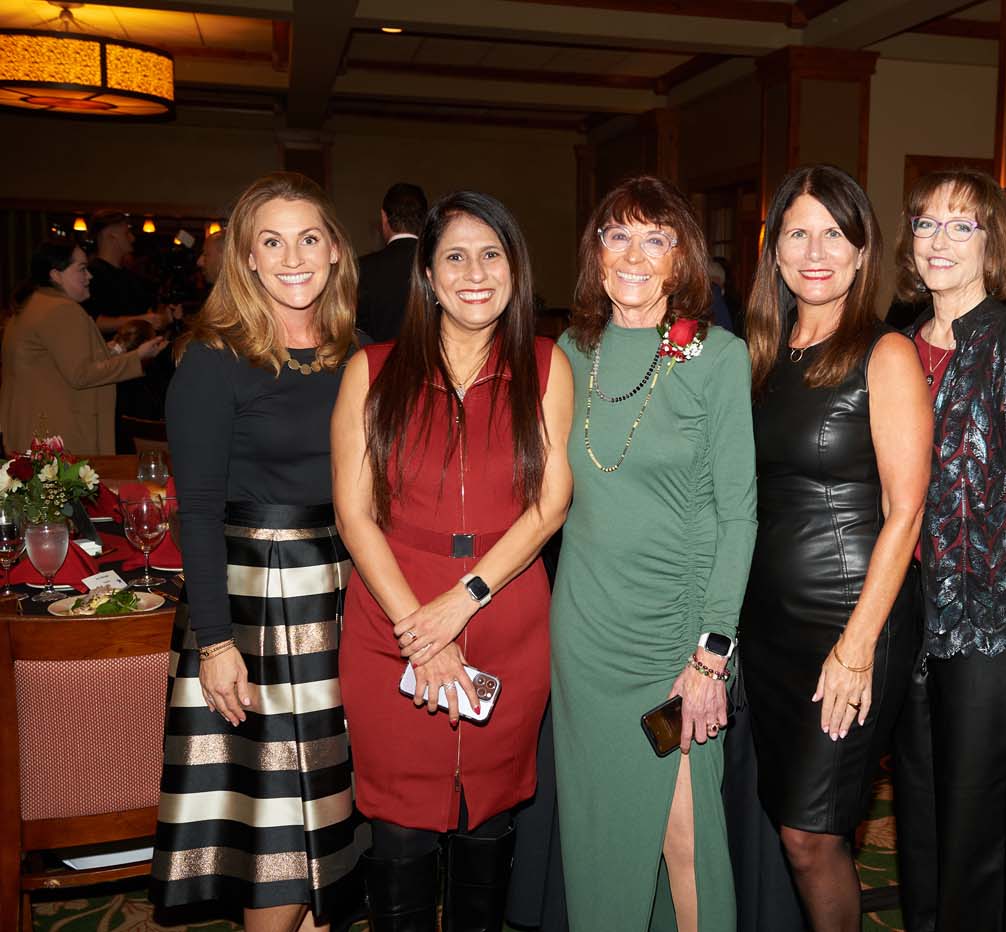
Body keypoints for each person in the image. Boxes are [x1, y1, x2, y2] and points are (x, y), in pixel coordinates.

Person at [332, 191, 573, 930]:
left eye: (491, 255)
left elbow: (551, 503)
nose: (475, 273)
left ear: (515, 269)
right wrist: (420, 629)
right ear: (429, 277)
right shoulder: (372, 370)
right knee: (400, 827)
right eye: (456, 257)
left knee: (489, 816)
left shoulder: (547, 365)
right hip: (391, 621)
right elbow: (354, 515)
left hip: (506, 616)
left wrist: (464, 600)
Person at [151, 172, 369, 932]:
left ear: (336, 250)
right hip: (254, 607)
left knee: (330, 817)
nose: (293, 258)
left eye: (309, 238)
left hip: (343, 596)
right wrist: (215, 644)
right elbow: (197, 512)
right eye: (271, 242)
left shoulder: (357, 354)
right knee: (276, 825)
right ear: (245, 258)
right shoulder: (213, 360)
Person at [550, 175, 756, 931]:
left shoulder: (717, 356)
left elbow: (739, 514)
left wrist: (711, 654)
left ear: (682, 258)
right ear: (596, 251)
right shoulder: (569, 353)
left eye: (655, 239)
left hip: (676, 637)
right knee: (599, 833)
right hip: (585, 634)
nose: (634, 256)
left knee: (684, 836)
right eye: (618, 236)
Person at [890, 169, 1006, 932]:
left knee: (977, 838)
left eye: (960, 226)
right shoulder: (897, 347)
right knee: (919, 822)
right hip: (906, 619)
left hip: (988, 627)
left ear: (992, 242)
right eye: (926, 224)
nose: (939, 241)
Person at [740, 164, 930, 932]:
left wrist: (856, 648)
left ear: (861, 252)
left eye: (833, 235)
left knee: (810, 835)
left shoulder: (885, 354)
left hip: (849, 620)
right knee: (791, 823)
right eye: (798, 234)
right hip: (768, 627)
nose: (815, 252)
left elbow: (906, 512)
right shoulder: (758, 355)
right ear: (775, 251)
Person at [0, 238, 164, 455]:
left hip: (31, 430)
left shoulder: (34, 304)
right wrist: (138, 357)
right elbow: (81, 373)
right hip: (56, 436)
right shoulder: (61, 310)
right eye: (82, 269)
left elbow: (58, 363)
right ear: (56, 275)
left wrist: (116, 350)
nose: (90, 276)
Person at [358, 182, 428, 343]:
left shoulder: (361, 268)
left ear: (384, 217)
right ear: (425, 219)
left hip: (375, 357)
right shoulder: (438, 265)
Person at [82, 210, 169, 335]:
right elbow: (91, 321)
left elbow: (147, 311)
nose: (132, 238)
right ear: (111, 235)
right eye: (127, 233)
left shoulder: (130, 276)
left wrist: (161, 318)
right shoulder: (91, 274)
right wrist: (140, 320)